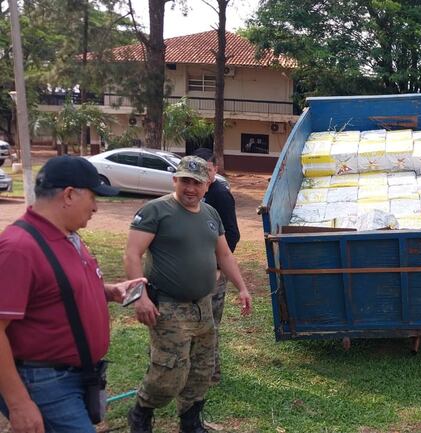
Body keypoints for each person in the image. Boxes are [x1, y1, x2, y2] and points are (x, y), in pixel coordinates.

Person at [0, 156, 146, 433]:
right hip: (44, 381)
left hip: (74, 376)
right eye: (93, 197)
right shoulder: (19, 248)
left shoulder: (68, 237)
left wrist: (109, 292)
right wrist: (19, 403)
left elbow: (57, 290)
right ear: (69, 195)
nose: (95, 207)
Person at [124, 156, 252, 433]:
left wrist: (242, 286)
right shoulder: (156, 211)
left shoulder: (210, 214)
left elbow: (225, 254)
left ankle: (190, 421)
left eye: (197, 182)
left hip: (202, 306)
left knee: (201, 369)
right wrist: (139, 297)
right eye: (185, 181)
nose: (190, 188)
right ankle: (141, 412)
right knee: (168, 372)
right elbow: (133, 254)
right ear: (175, 181)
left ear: (207, 185)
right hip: (168, 307)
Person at [192, 148, 240, 383]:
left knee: (209, 324)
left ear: (215, 169)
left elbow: (232, 233)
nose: (202, 175)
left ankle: (212, 373)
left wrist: (220, 266)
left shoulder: (219, 194)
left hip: (214, 271)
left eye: (207, 170)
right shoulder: (194, 194)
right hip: (194, 272)